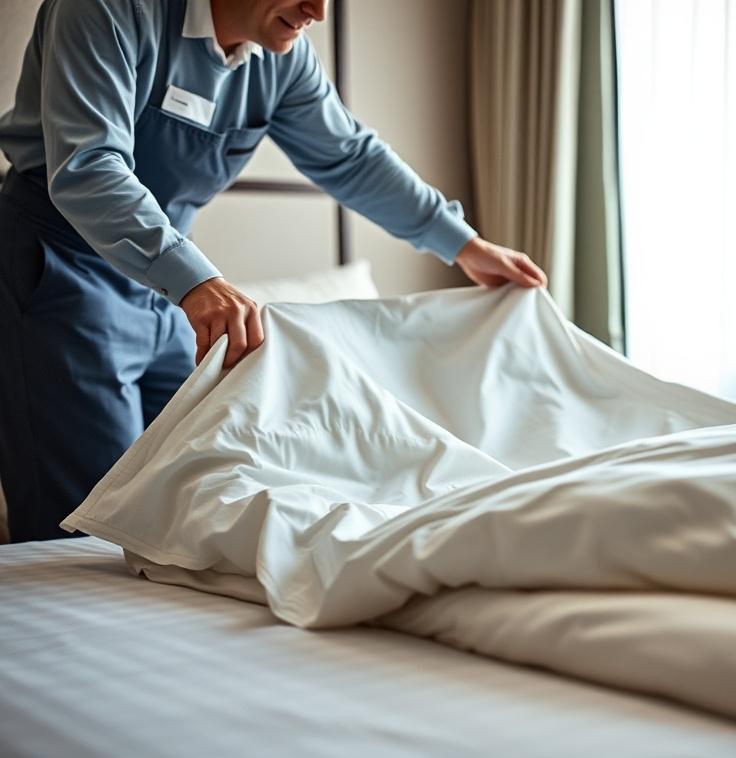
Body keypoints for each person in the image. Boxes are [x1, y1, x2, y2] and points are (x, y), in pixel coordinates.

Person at [0, 0, 548, 544]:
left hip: (161, 289)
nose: (318, 11)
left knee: (204, 486)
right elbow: (89, 167)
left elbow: (353, 157)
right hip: (59, 269)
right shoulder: (107, 9)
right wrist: (196, 281)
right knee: (85, 525)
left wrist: (464, 245)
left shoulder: (281, 59)